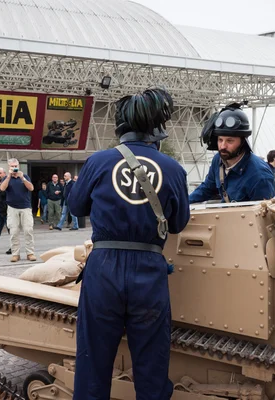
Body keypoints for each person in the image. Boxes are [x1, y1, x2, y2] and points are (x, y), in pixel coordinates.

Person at [68, 88, 190, 399]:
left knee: (92, 361)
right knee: (151, 364)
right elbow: (178, 223)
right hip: (149, 270)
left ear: (120, 127)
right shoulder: (173, 169)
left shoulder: (98, 162)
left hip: (103, 268)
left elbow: (75, 206)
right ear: (157, 130)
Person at [189, 103, 275, 203]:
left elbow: (263, 214)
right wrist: (182, 204)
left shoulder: (259, 175)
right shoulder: (218, 160)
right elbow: (207, 188)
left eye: (230, 141)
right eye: (220, 140)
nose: (223, 146)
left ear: (243, 142)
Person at [0, 158, 35, 262]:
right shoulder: (6, 178)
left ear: (18, 166)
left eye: (16, 166)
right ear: (9, 167)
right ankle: (15, 254)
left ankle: (30, 253)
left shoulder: (25, 176)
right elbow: (2, 188)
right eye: (12, 166)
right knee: (14, 231)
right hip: (12, 208)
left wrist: (22, 178)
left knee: (28, 230)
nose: (14, 168)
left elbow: (31, 188)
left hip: (25, 207)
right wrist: (9, 176)